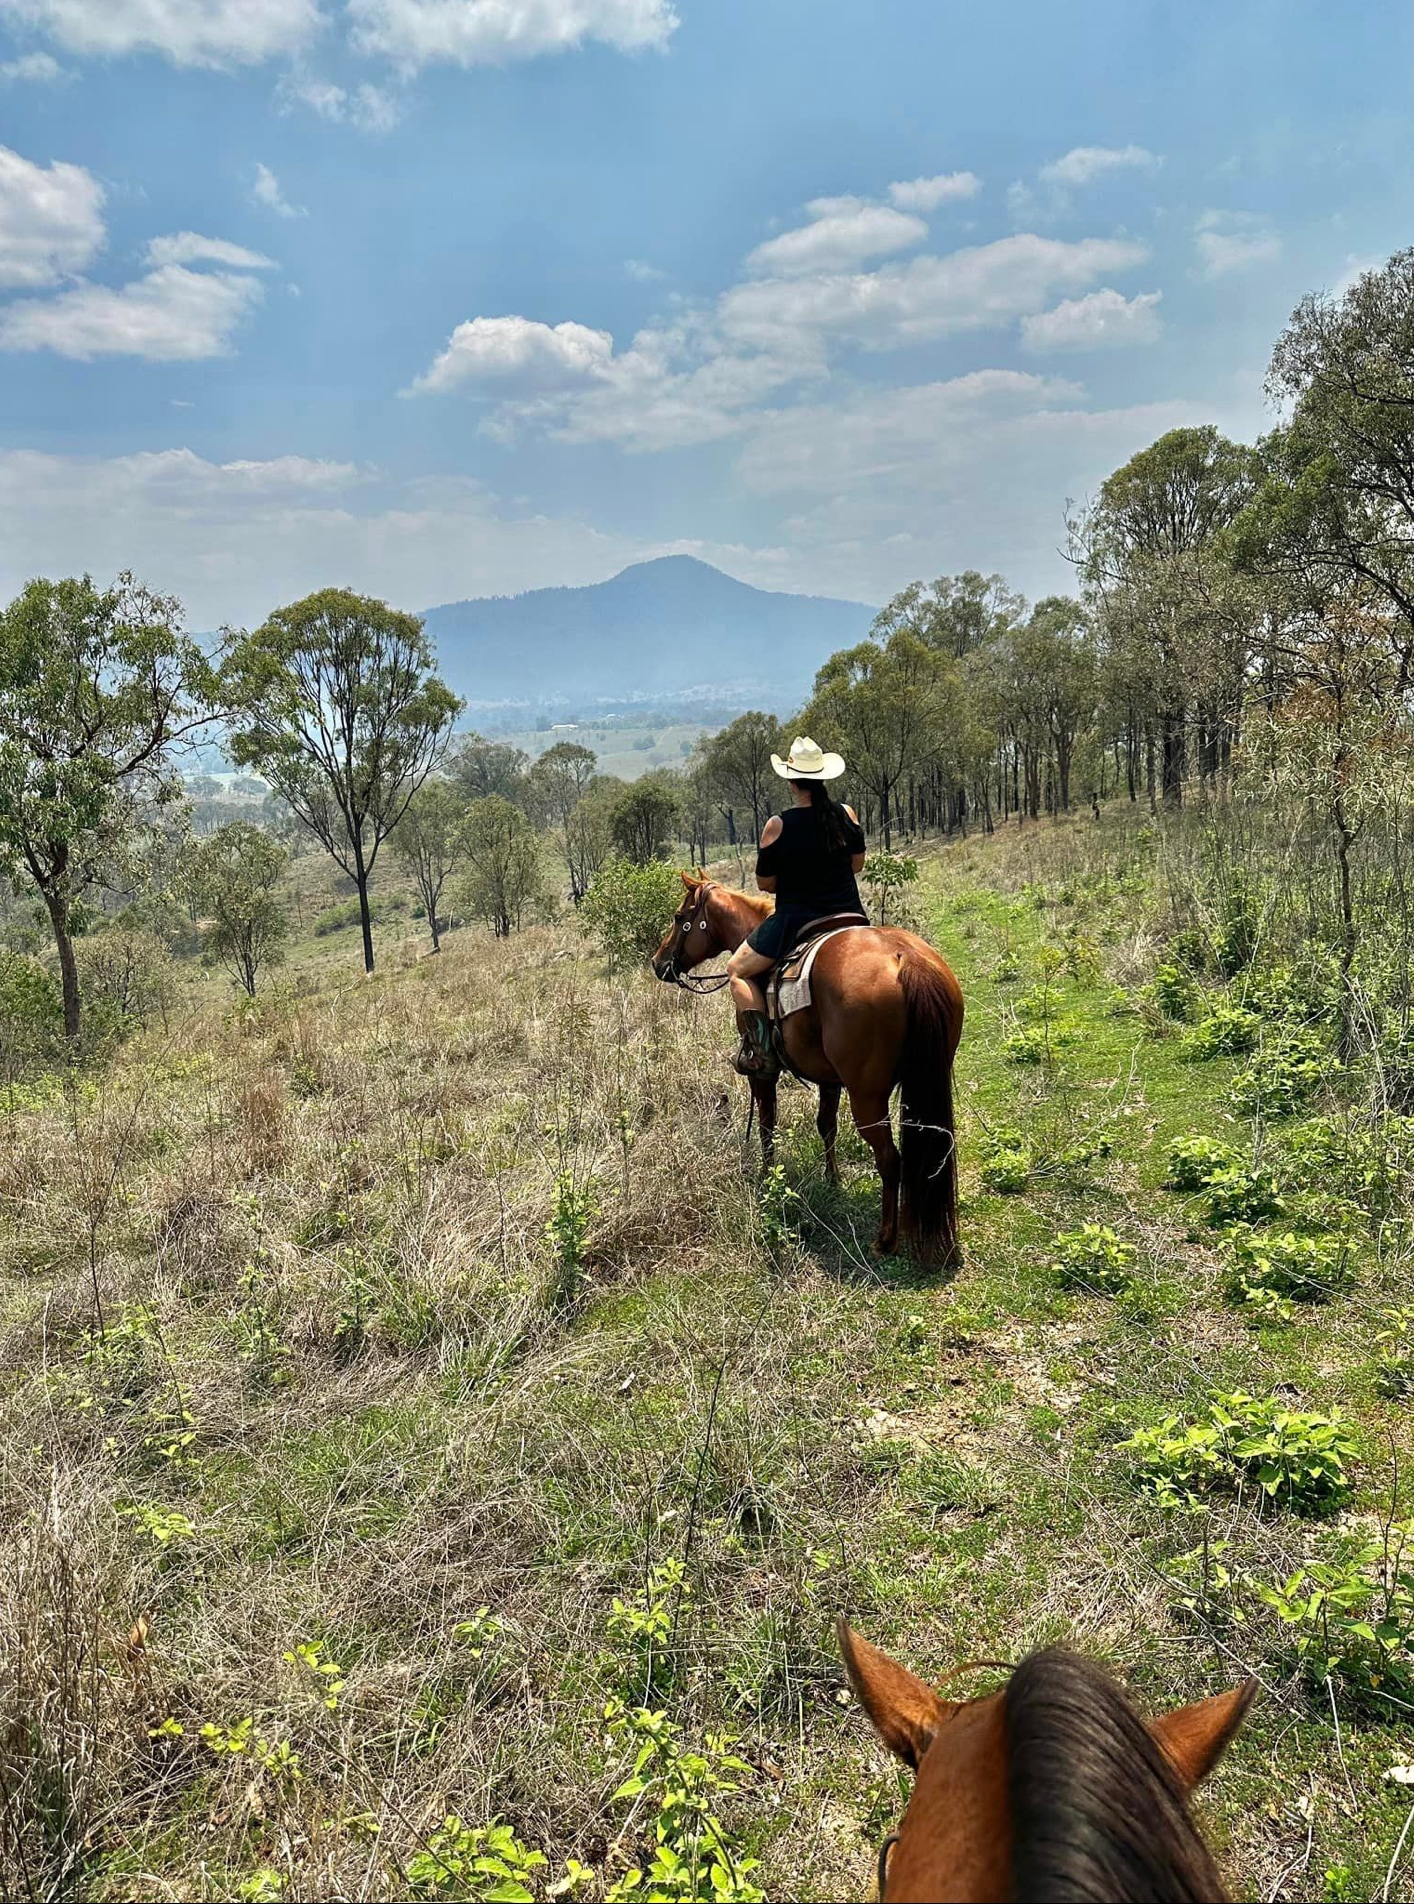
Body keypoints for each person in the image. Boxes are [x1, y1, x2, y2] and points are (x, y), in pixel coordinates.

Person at [727, 736, 867, 1078]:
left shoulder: (778, 825)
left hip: (796, 920)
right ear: (822, 778)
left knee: (737, 970)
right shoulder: (846, 814)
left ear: (791, 781)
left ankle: (761, 1052)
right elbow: (858, 864)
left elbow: (765, 884)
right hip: (852, 916)